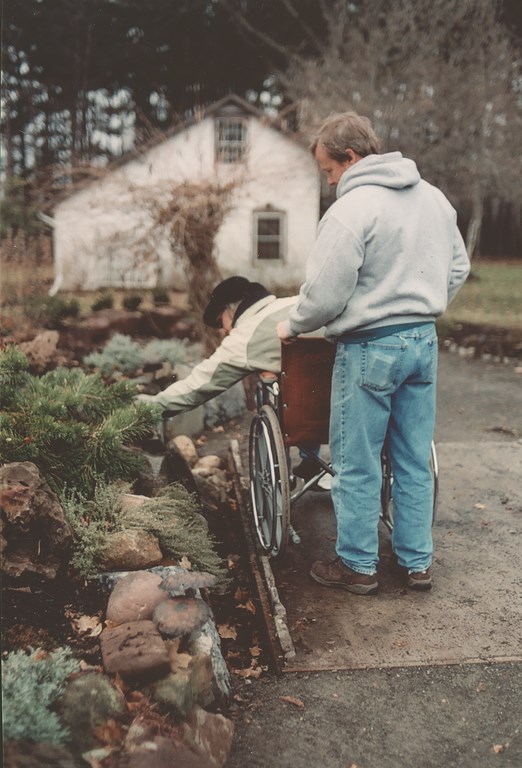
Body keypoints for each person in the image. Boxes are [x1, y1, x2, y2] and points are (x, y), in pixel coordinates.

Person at [277, 111, 470, 594]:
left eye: (328, 170)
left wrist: (294, 324)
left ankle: (358, 566)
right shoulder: (434, 199)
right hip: (422, 341)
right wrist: (425, 303)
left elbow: (324, 293)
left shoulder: (352, 210)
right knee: (411, 459)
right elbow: (459, 265)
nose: (329, 180)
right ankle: (416, 562)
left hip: (369, 348)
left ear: (350, 157)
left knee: (356, 462)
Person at [137, 275, 323, 484]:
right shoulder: (299, 303)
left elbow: (196, 388)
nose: (224, 331)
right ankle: (312, 461)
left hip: (302, 417)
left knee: (273, 390)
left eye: (220, 322)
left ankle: (287, 473)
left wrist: (146, 406)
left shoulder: (244, 337)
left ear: (230, 310)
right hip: (342, 409)